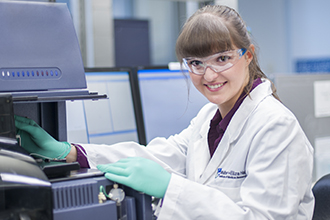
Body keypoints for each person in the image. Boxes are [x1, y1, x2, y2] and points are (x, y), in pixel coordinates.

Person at [15, 5, 314, 219]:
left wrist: (172, 188)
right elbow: (155, 157)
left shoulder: (276, 126)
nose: (209, 75)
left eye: (222, 58)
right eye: (196, 63)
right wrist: (69, 152)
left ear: (247, 55)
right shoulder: (209, 120)